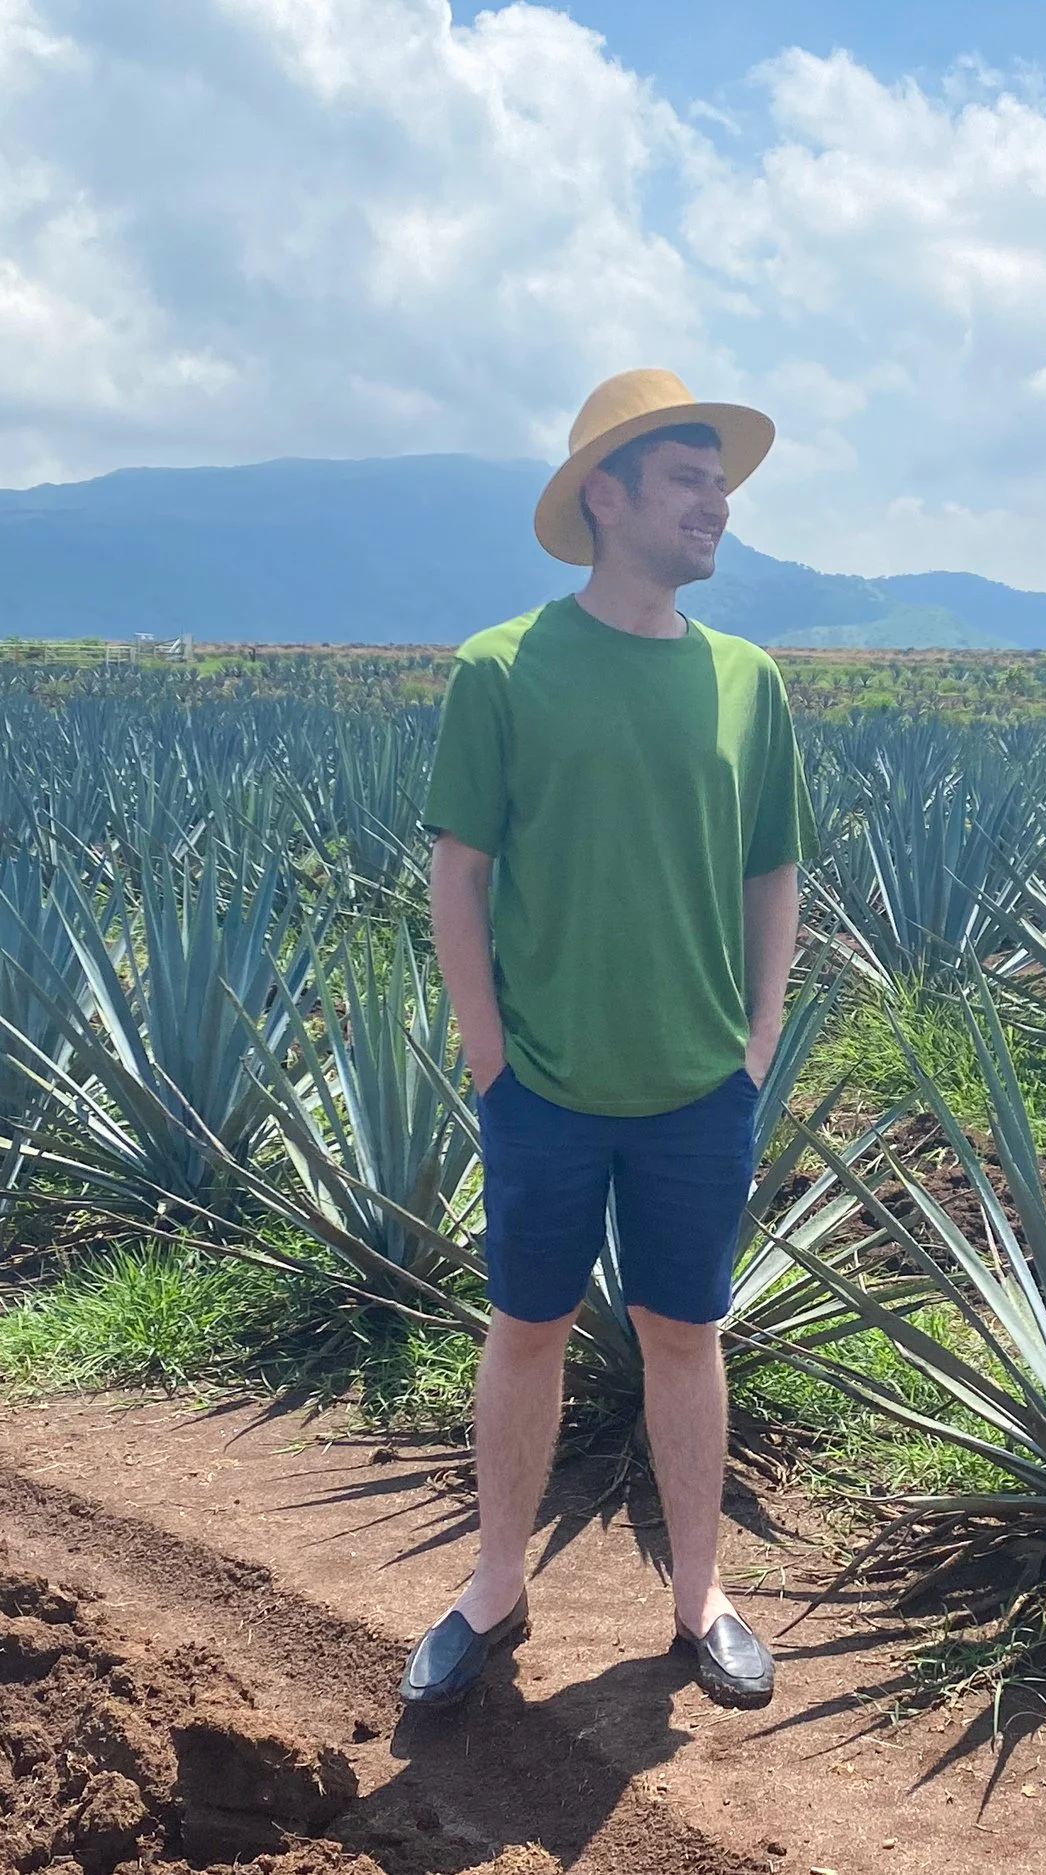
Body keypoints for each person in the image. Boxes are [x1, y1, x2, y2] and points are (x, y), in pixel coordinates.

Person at [405, 368, 818, 1711]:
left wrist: (755, 1045)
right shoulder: (503, 668)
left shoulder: (750, 682)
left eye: (721, 482)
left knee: (684, 1332)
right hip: (546, 1089)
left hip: (700, 1088)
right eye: (692, 478)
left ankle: (699, 1600)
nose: (719, 505)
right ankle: (495, 1585)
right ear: (610, 493)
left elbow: (773, 876)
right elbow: (457, 872)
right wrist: (490, 1062)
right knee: (525, 1328)